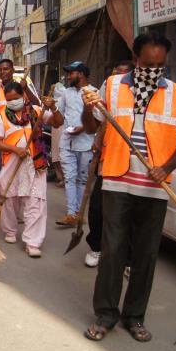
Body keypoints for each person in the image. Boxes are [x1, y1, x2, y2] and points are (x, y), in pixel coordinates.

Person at [81, 33, 176, 343]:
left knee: (145, 255)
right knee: (112, 251)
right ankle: (105, 315)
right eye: (148, 64)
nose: (154, 70)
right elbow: (92, 126)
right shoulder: (112, 86)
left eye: (160, 66)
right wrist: (87, 107)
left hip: (154, 187)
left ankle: (134, 317)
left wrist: (166, 168)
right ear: (135, 59)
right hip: (117, 181)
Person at [0, 82, 59, 257]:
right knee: (9, 199)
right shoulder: (2, 117)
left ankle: (33, 242)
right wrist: (15, 149)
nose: (13, 102)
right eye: (9, 100)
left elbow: (57, 122)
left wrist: (54, 108)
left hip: (35, 163)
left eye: (16, 98)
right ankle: (10, 230)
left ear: (23, 95)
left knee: (35, 201)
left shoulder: (36, 111)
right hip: (12, 163)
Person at [84, 60, 134, 268]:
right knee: (98, 207)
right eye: (115, 72)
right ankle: (96, 247)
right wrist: (98, 138)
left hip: (135, 164)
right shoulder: (109, 89)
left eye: (123, 73)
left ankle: (128, 258)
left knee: (129, 214)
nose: (118, 77)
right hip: (109, 160)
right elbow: (97, 123)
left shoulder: (138, 94)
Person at [55, 61, 97, 227]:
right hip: (67, 142)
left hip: (87, 142)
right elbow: (59, 116)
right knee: (70, 178)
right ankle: (72, 214)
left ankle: (79, 213)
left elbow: (99, 119)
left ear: (80, 74)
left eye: (71, 73)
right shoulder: (66, 93)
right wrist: (52, 108)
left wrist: (82, 128)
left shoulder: (94, 92)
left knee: (82, 180)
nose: (68, 76)